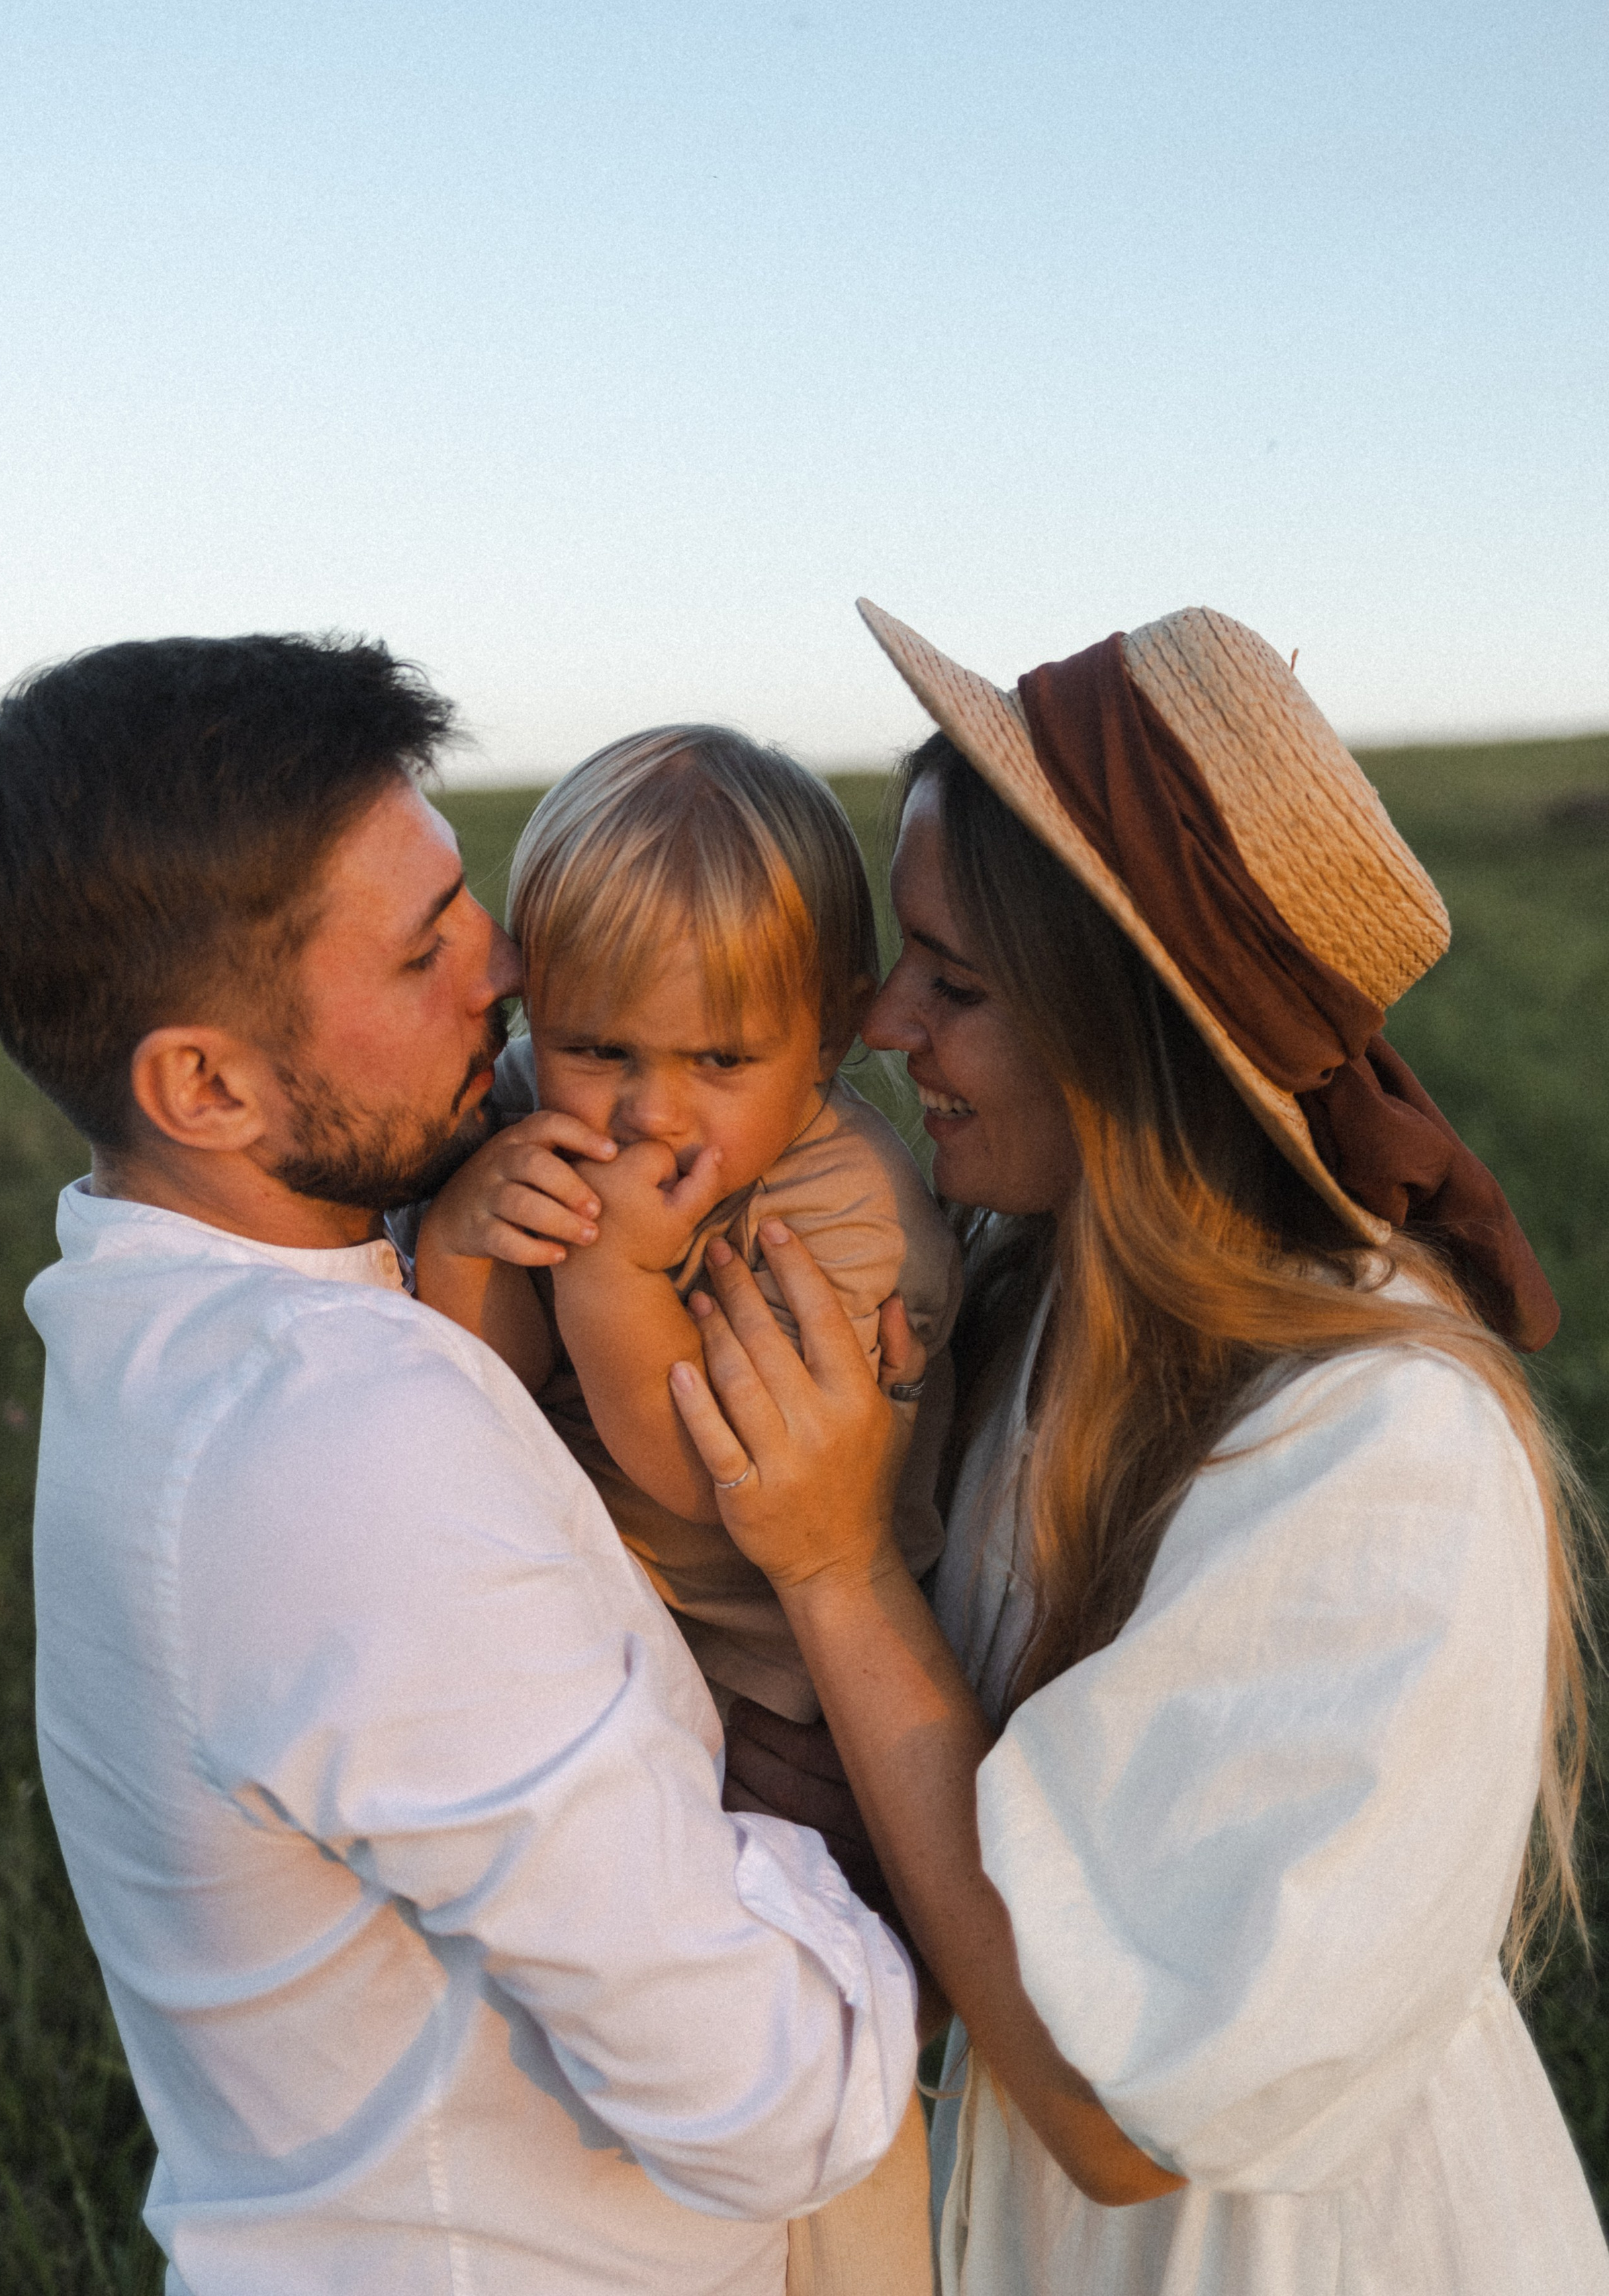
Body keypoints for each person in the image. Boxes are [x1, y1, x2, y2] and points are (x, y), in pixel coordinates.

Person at [0, 634, 919, 2296]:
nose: (510, 968)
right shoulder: (340, 1452)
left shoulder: (161, 1320)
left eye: (467, 899)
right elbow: (777, 2103)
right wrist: (853, 1859)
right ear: (208, 1085)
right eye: (420, 951)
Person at [667, 601, 1609, 2294]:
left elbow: (1116, 2115)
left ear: (1127, 1034)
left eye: (953, 981)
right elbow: (995, 1835)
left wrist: (831, 1569)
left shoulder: (1377, 1447)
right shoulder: (1033, 1307)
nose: (885, 1023)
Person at [414, 724, 963, 2296]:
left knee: (817, 2102)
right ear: (538, 1009)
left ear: (830, 1033)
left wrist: (603, 1270)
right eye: (599, 1050)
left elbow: (698, 1464)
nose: (654, 1110)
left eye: (720, 1062)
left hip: (786, 1715)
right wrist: (463, 1249)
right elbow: (488, 1408)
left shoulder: (839, 1212)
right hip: (624, 1676)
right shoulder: (546, 1106)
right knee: (603, 2093)